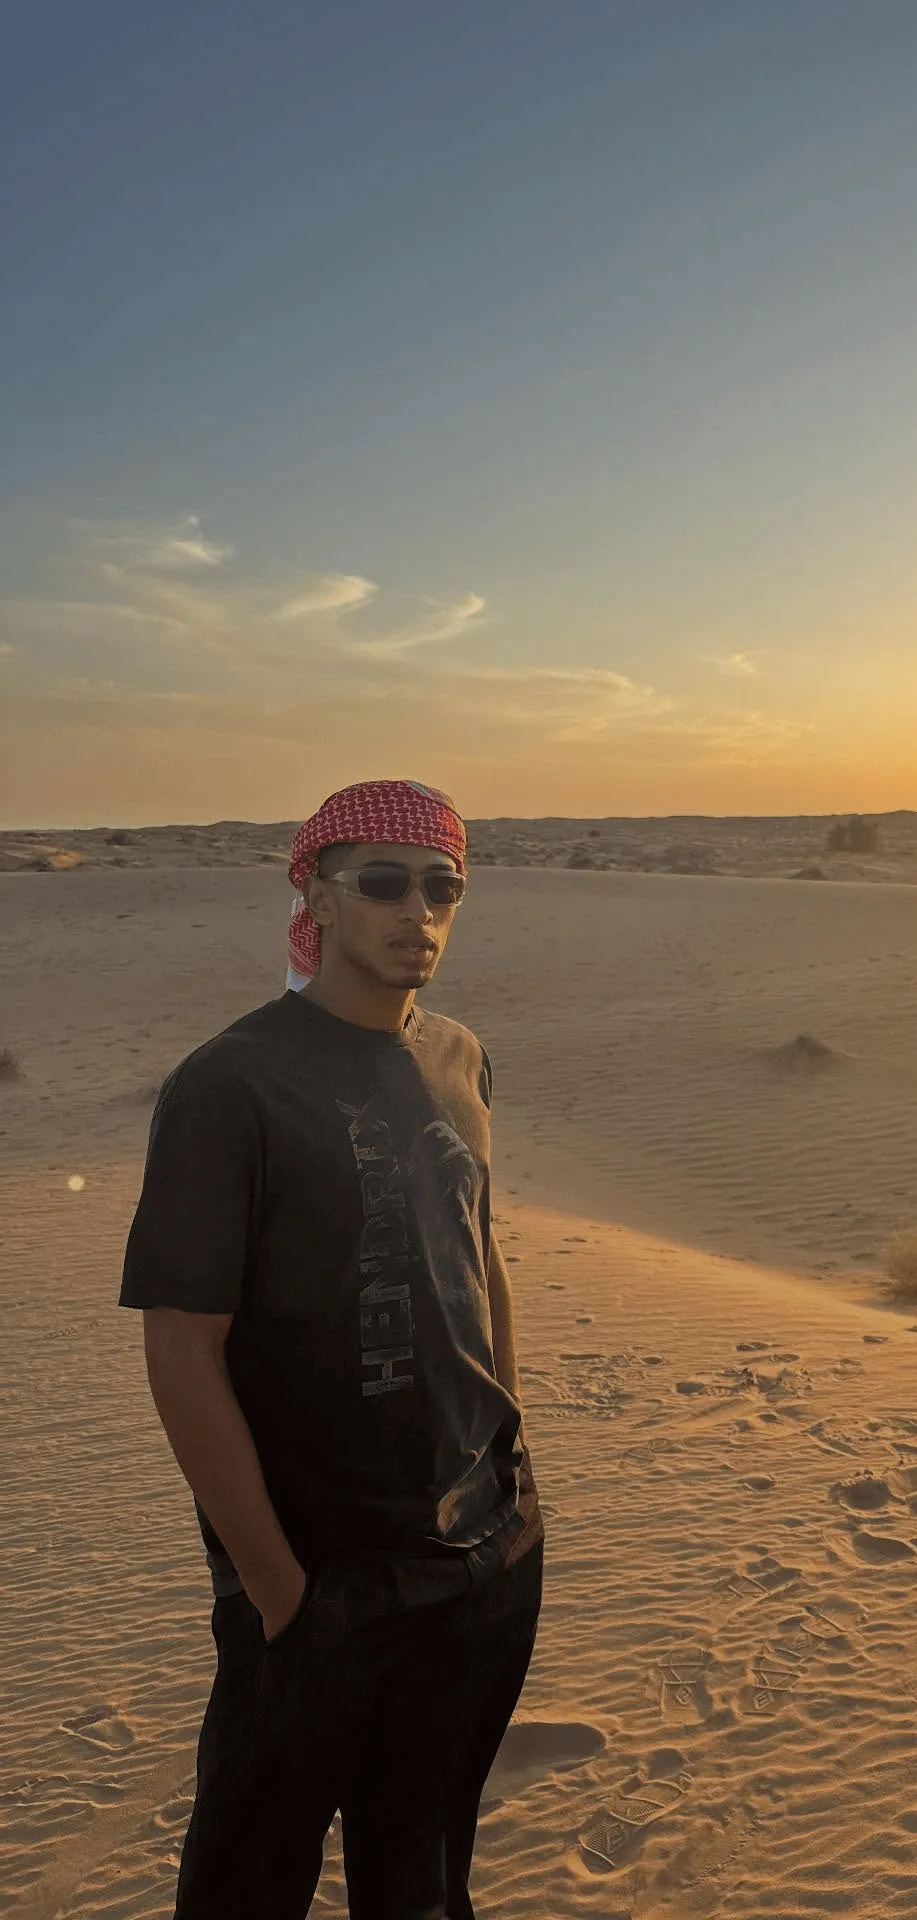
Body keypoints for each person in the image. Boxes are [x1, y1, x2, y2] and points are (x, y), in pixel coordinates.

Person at [119, 778, 543, 1920]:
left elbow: (479, 1253)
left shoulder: (461, 1057)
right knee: (250, 1881)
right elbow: (182, 1350)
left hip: (480, 1557)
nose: (419, 912)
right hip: (321, 1577)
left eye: (443, 887)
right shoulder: (230, 1086)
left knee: (423, 1872)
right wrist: (276, 1588)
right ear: (315, 893)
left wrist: (512, 1471)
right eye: (384, 883)